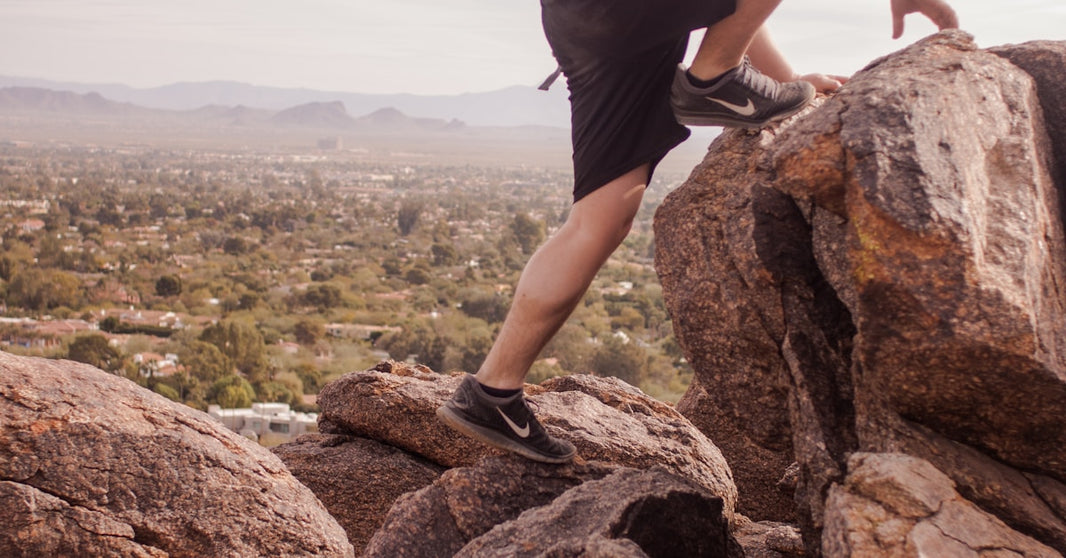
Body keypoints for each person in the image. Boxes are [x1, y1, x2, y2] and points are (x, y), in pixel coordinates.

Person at [437, 0, 958, 463]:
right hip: (621, 16)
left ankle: (492, 393)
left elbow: (729, 12)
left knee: (599, 220)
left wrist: (787, 84)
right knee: (602, 213)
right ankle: (712, 80)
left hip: (593, 26)